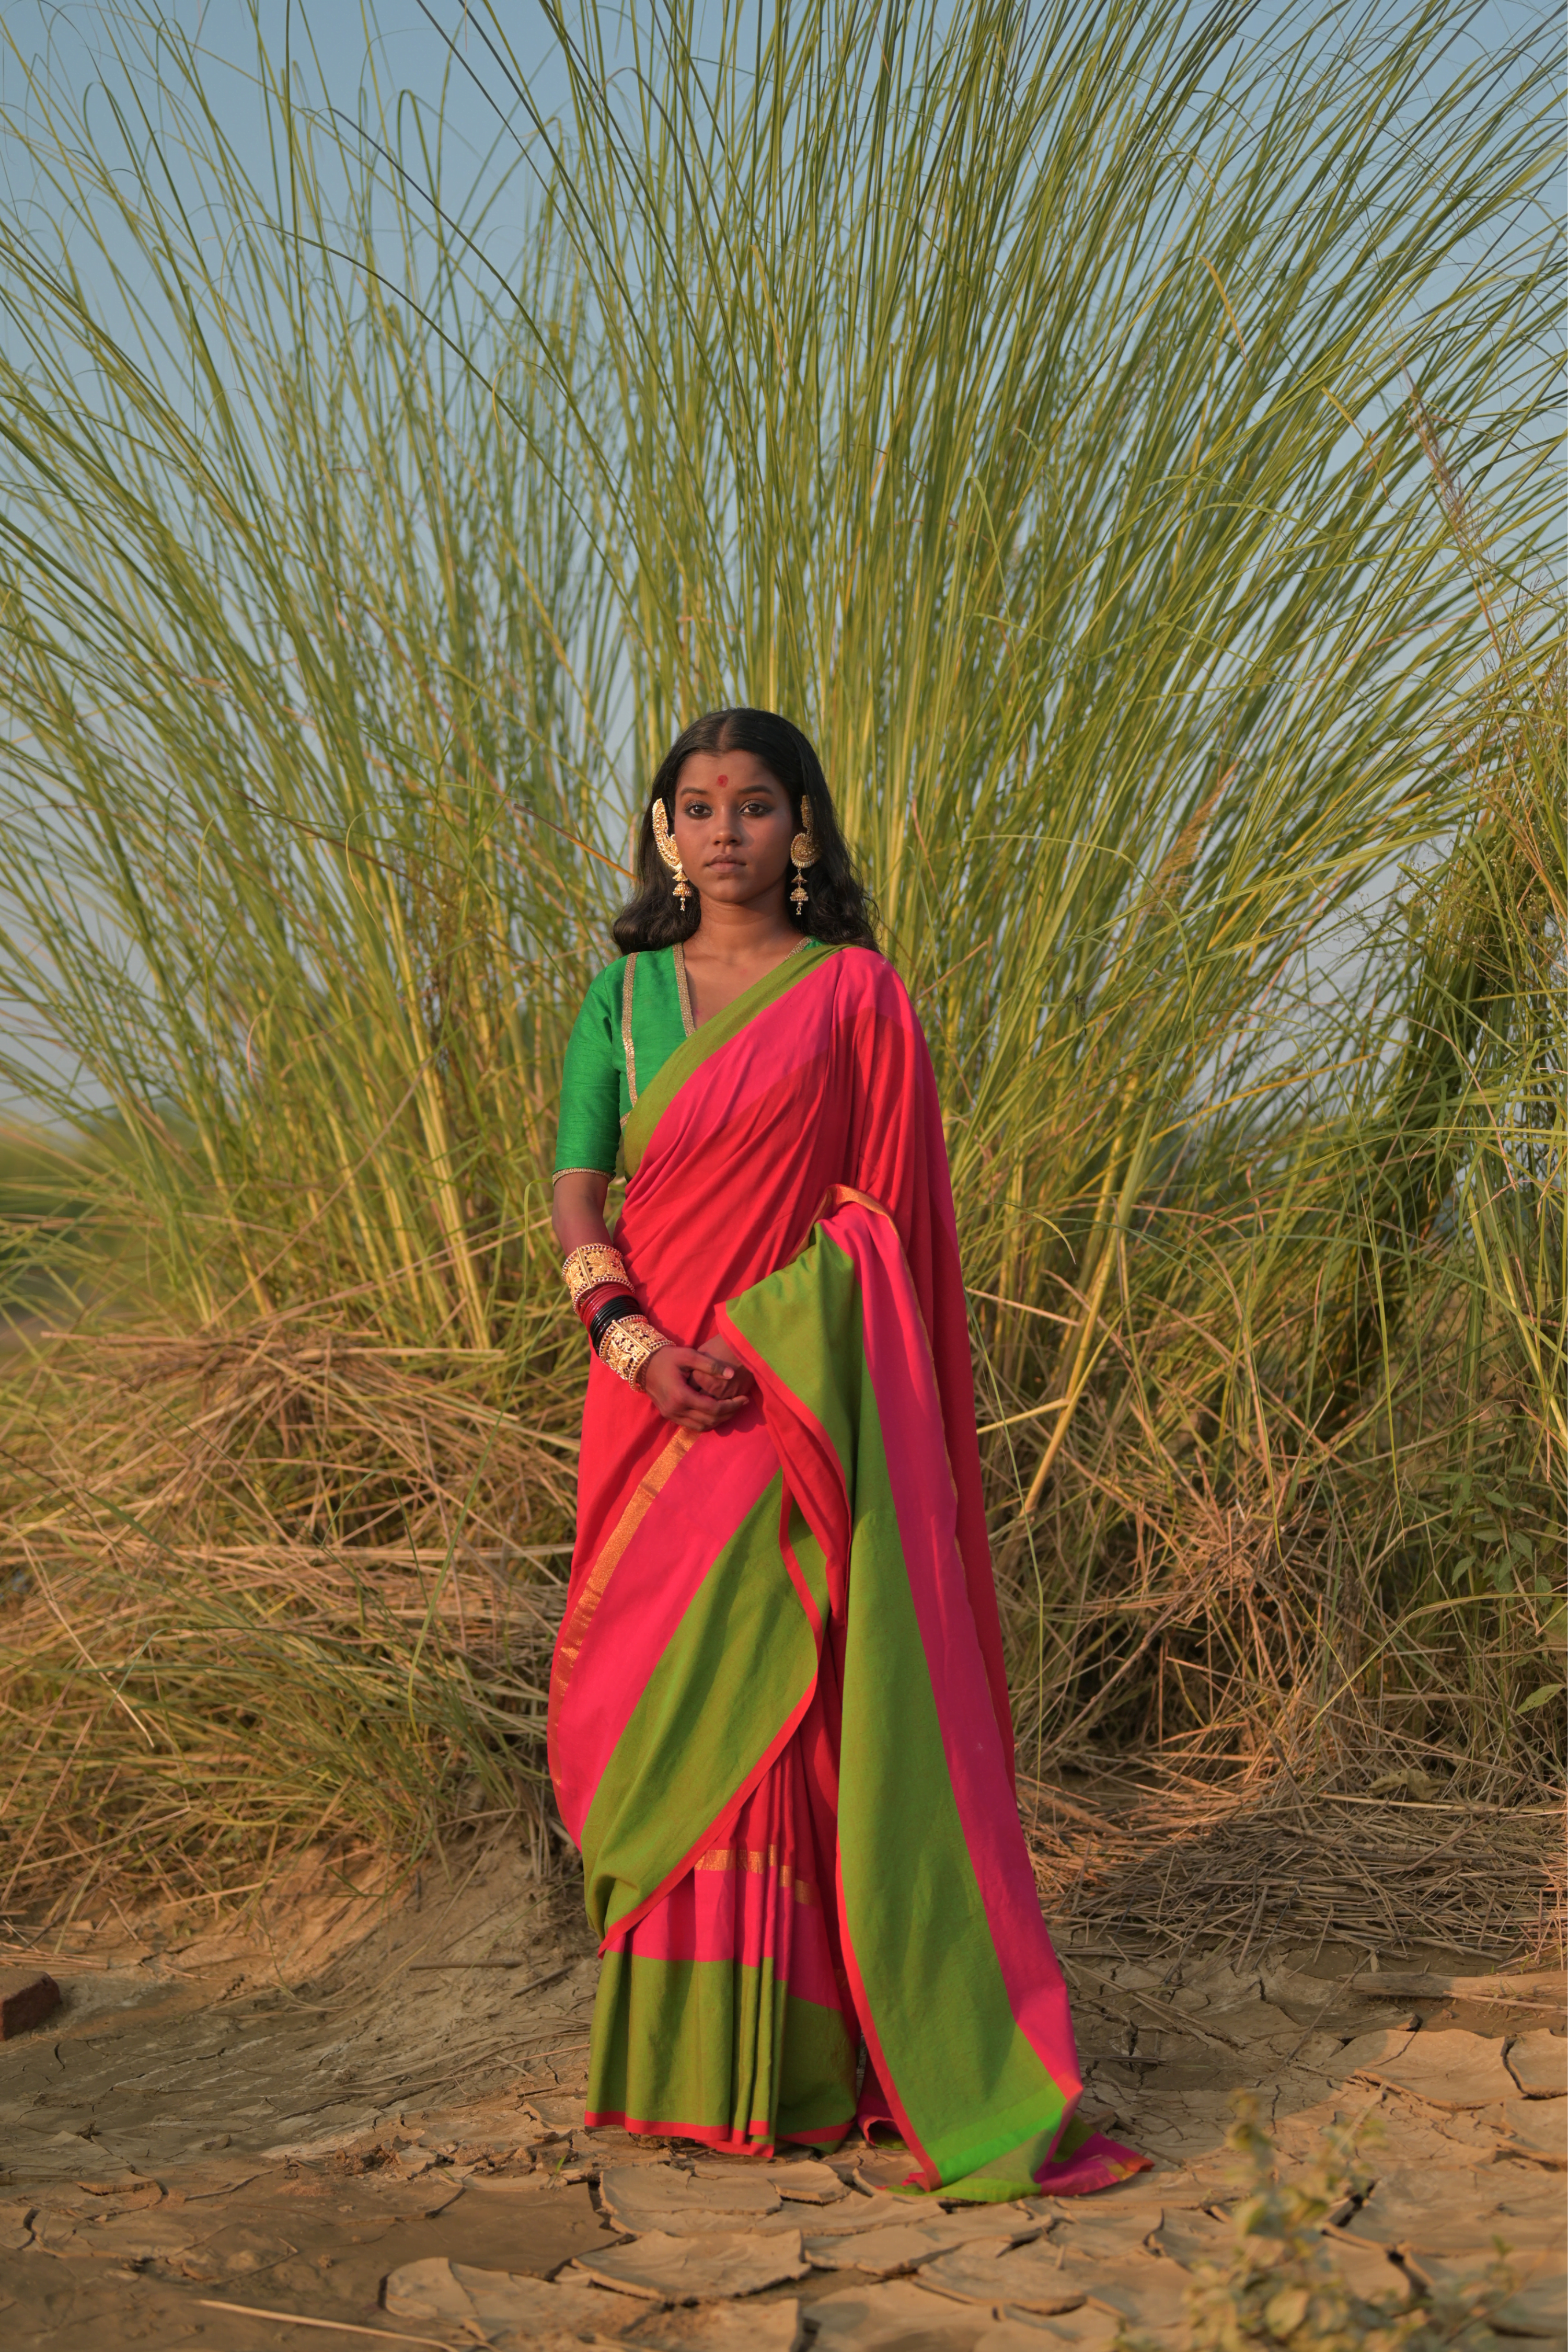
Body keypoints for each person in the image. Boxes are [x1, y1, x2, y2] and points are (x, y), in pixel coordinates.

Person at [548, 707, 1144, 2198]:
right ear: (664, 829)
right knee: (661, 1700)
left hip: (788, 1398)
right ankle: (678, 2065)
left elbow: (885, 1221)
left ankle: (814, 2064)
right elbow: (576, 1200)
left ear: (802, 827)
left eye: (757, 805)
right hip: (649, 1400)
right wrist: (634, 1343)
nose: (725, 830)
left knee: (793, 1708)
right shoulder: (619, 1002)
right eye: (697, 805)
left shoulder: (858, 996)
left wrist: (764, 1343)